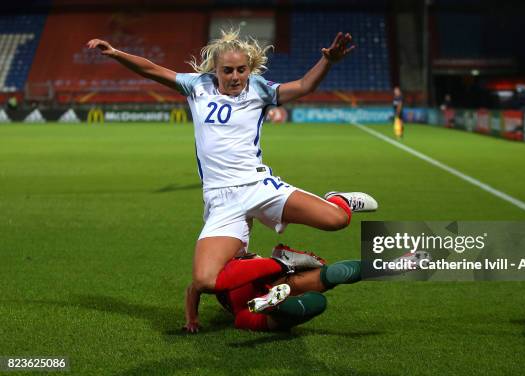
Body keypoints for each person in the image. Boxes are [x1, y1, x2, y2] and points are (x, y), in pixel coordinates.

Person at [87, 29, 378, 333]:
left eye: (242, 69)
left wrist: (327, 61)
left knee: (336, 220)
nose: (235, 76)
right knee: (205, 280)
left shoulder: (260, 90)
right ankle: (283, 268)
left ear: (250, 69)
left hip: (257, 186)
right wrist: (116, 53)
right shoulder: (196, 86)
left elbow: (304, 85)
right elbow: (152, 70)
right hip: (221, 200)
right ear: (215, 69)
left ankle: (339, 199)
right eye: (228, 70)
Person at [215, 244, 362, 331]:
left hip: (241, 294)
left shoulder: (211, 269)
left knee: (252, 317)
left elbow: (195, 286)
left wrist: (192, 319)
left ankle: (273, 306)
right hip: (257, 273)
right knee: (320, 291)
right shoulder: (233, 257)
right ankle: (378, 265)